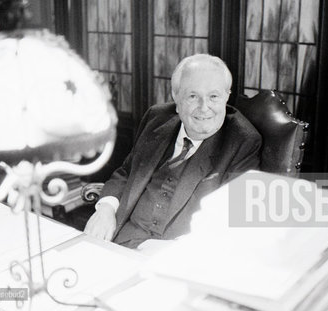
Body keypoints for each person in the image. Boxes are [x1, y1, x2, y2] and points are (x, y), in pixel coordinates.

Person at [84, 54, 261, 248]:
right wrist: (106, 209)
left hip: (179, 259)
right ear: (176, 98)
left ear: (227, 95)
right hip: (119, 239)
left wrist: (177, 249)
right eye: (193, 96)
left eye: (214, 96)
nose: (204, 108)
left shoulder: (242, 141)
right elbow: (127, 171)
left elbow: (230, 222)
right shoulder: (157, 118)